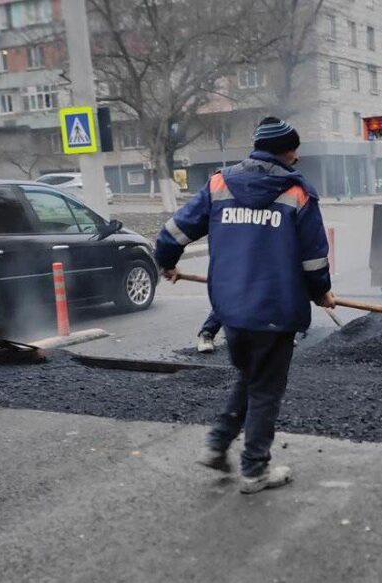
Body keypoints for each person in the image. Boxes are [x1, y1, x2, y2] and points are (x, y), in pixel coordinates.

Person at [155, 116, 334, 494]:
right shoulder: (298, 193)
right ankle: (254, 470)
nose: (297, 157)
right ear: (286, 151)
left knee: (251, 375)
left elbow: (174, 232)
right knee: (265, 388)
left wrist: (166, 262)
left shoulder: (219, 184)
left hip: (232, 310)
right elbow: (314, 259)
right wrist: (321, 292)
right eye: (294, 150)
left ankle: (217, 444)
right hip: (275, 310)